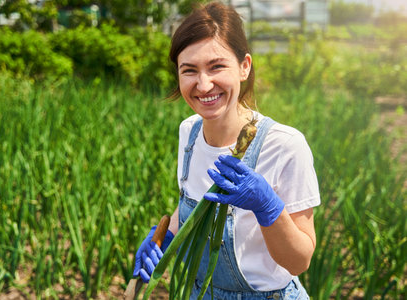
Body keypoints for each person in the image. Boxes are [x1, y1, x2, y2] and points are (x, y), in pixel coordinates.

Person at [133, 2, 321, 299]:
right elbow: (193, 202)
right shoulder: (189, 132)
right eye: (189, 70)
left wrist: (267, 207)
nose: (204, 84)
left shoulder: (284, 145)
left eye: (217, 66)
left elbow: (300, 261)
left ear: (244, 66)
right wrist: (165, 238)